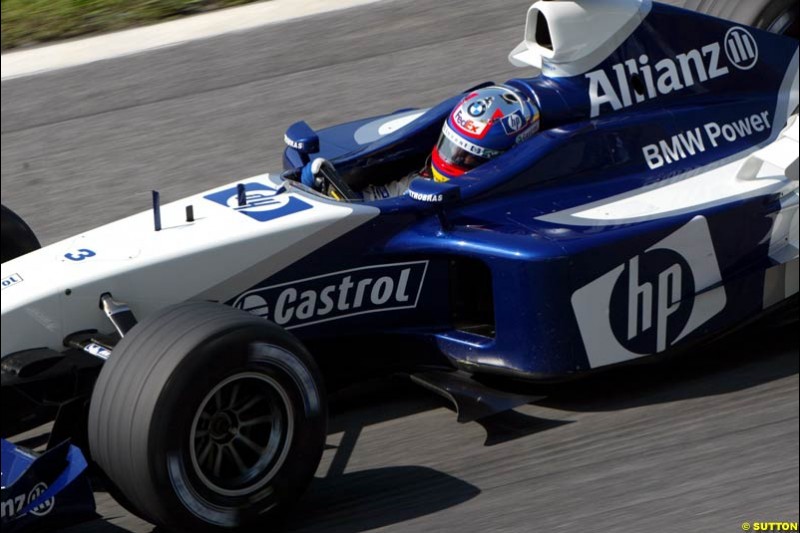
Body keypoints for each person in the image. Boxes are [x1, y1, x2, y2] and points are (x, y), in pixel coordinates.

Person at [304, 84, 541, 200]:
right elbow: (378, 198)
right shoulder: (423, 180)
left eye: (469, 156)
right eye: (452, 147)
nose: (454, 158)